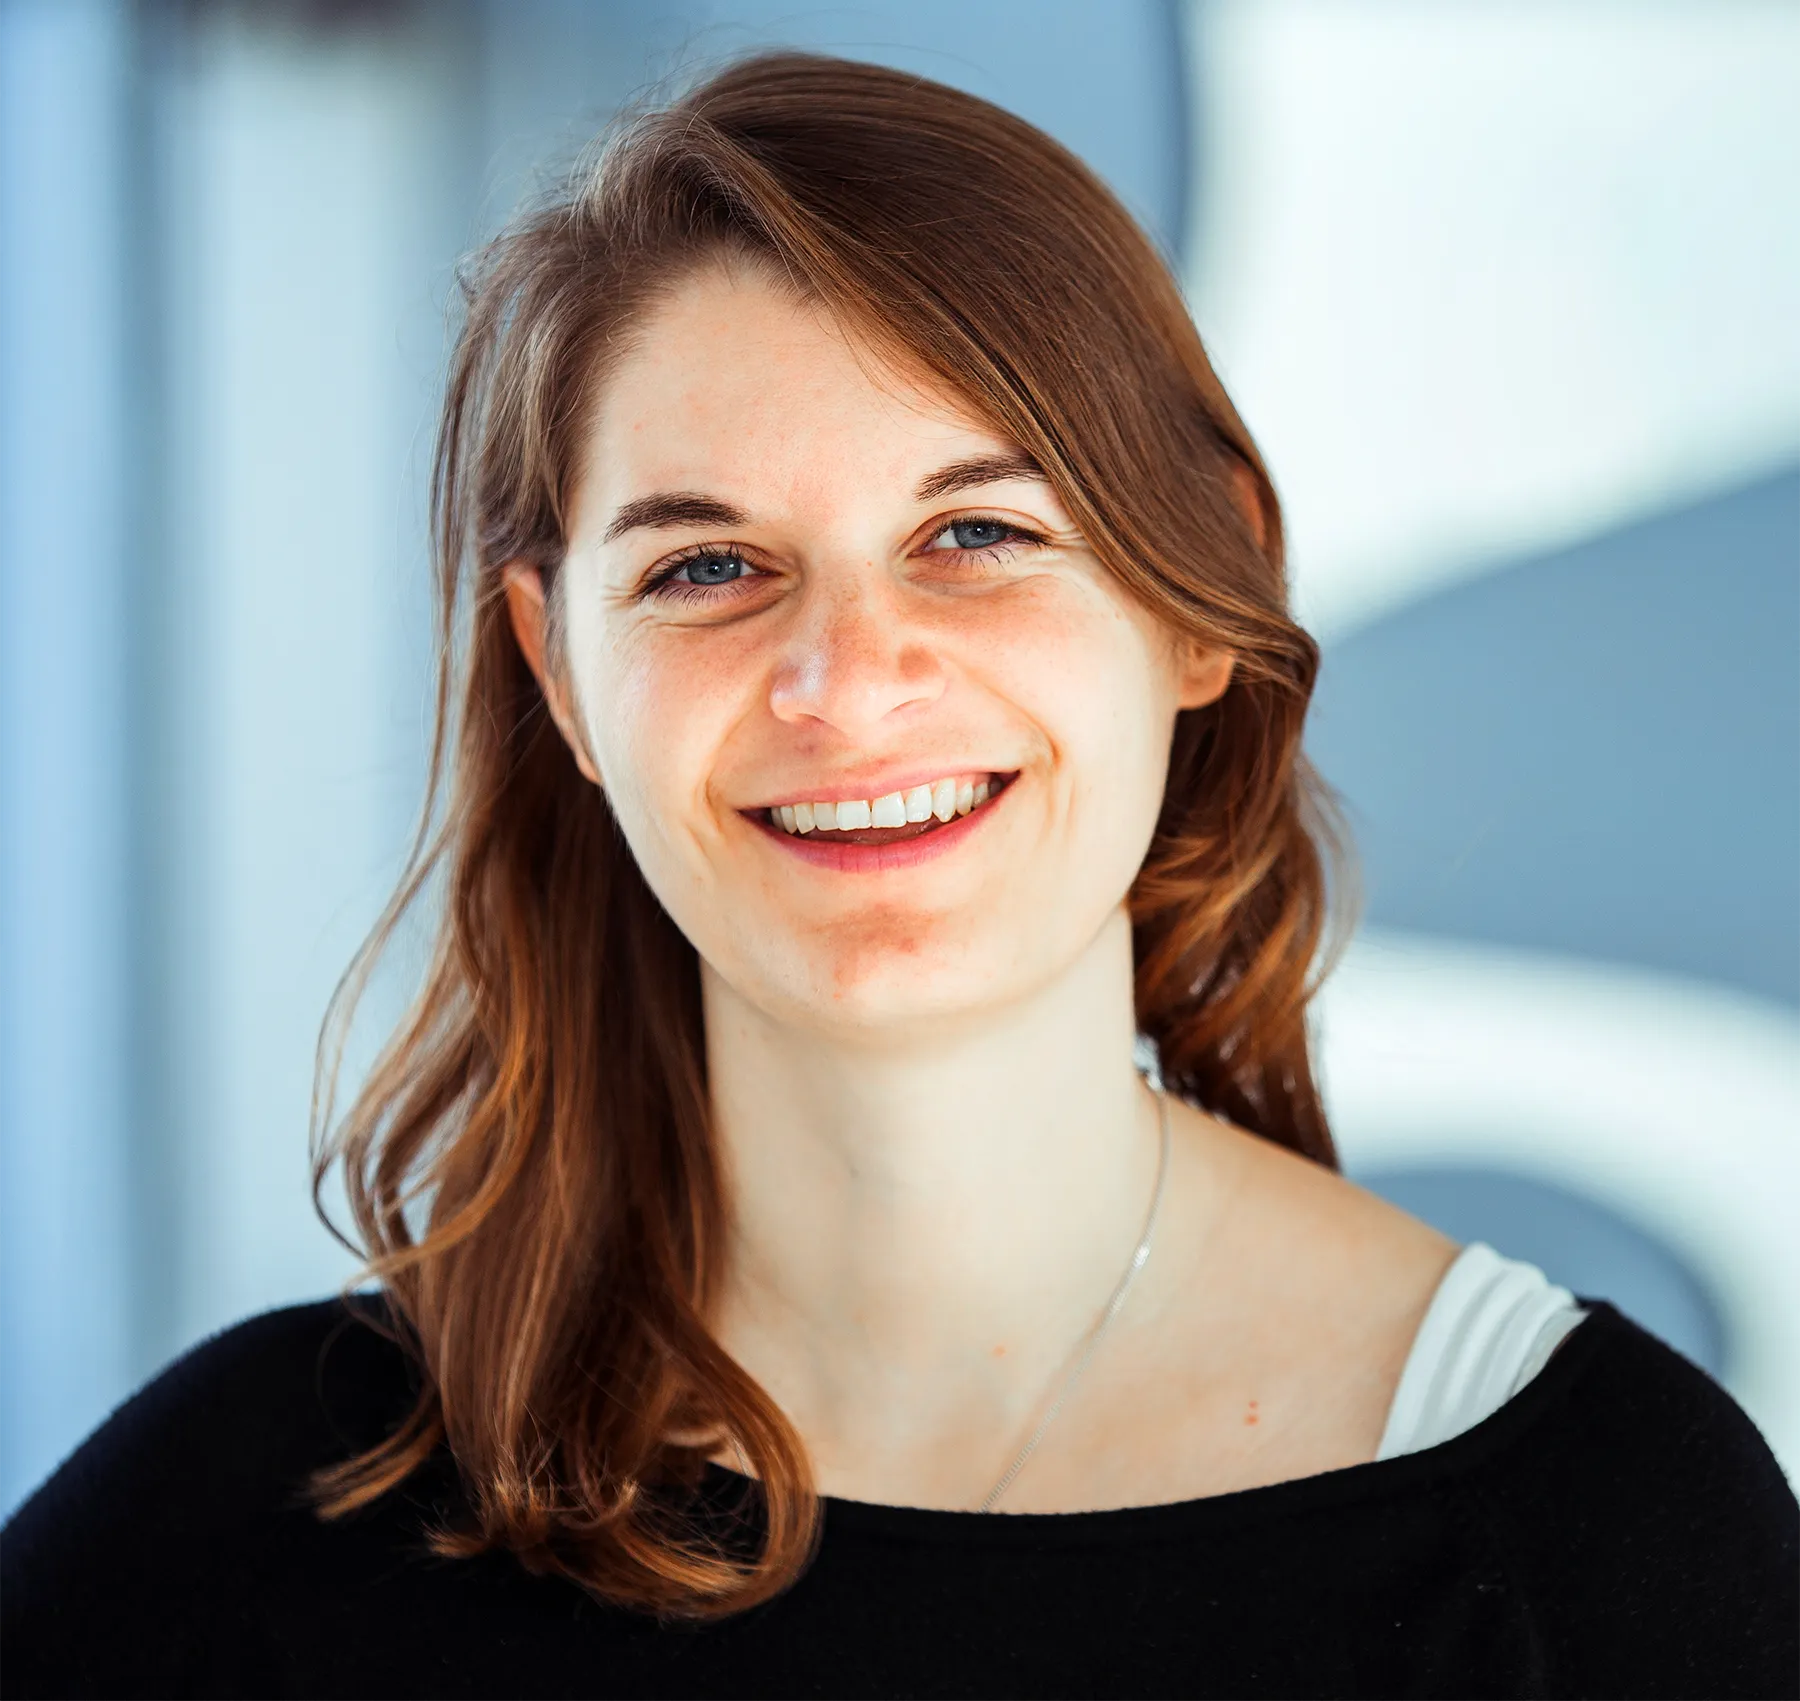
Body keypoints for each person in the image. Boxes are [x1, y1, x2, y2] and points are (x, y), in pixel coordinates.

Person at [3, 50, 1796, 1696]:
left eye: (976, 535)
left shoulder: (1593, 1533)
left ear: (1201, 596)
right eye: (708, 568)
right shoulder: (245, 1522)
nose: (848, 682)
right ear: (559, 676)